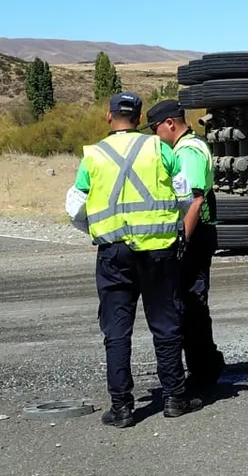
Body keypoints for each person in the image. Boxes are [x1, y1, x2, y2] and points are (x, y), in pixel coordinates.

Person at [65, 91, 203, 428]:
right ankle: (174, 397)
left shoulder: (93, 156)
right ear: (141, 119)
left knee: (116, 330)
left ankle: (122, 407)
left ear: (108, 117)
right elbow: (185, 196)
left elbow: (74, 209)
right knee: (166, 324)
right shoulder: (159, 148)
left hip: (113, 252)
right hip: (158, 249)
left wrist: (100, 230)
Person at [143, 98, 225, 391]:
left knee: (192, 303)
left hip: (195, 233)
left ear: (170, 123)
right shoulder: (187, 147)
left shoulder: (188, 151)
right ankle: (207, 362)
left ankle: (203, 371)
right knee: (192, 302)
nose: (155, 136)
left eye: (156, 129)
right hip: (198, 232)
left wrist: (181, 242)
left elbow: (193, 200)